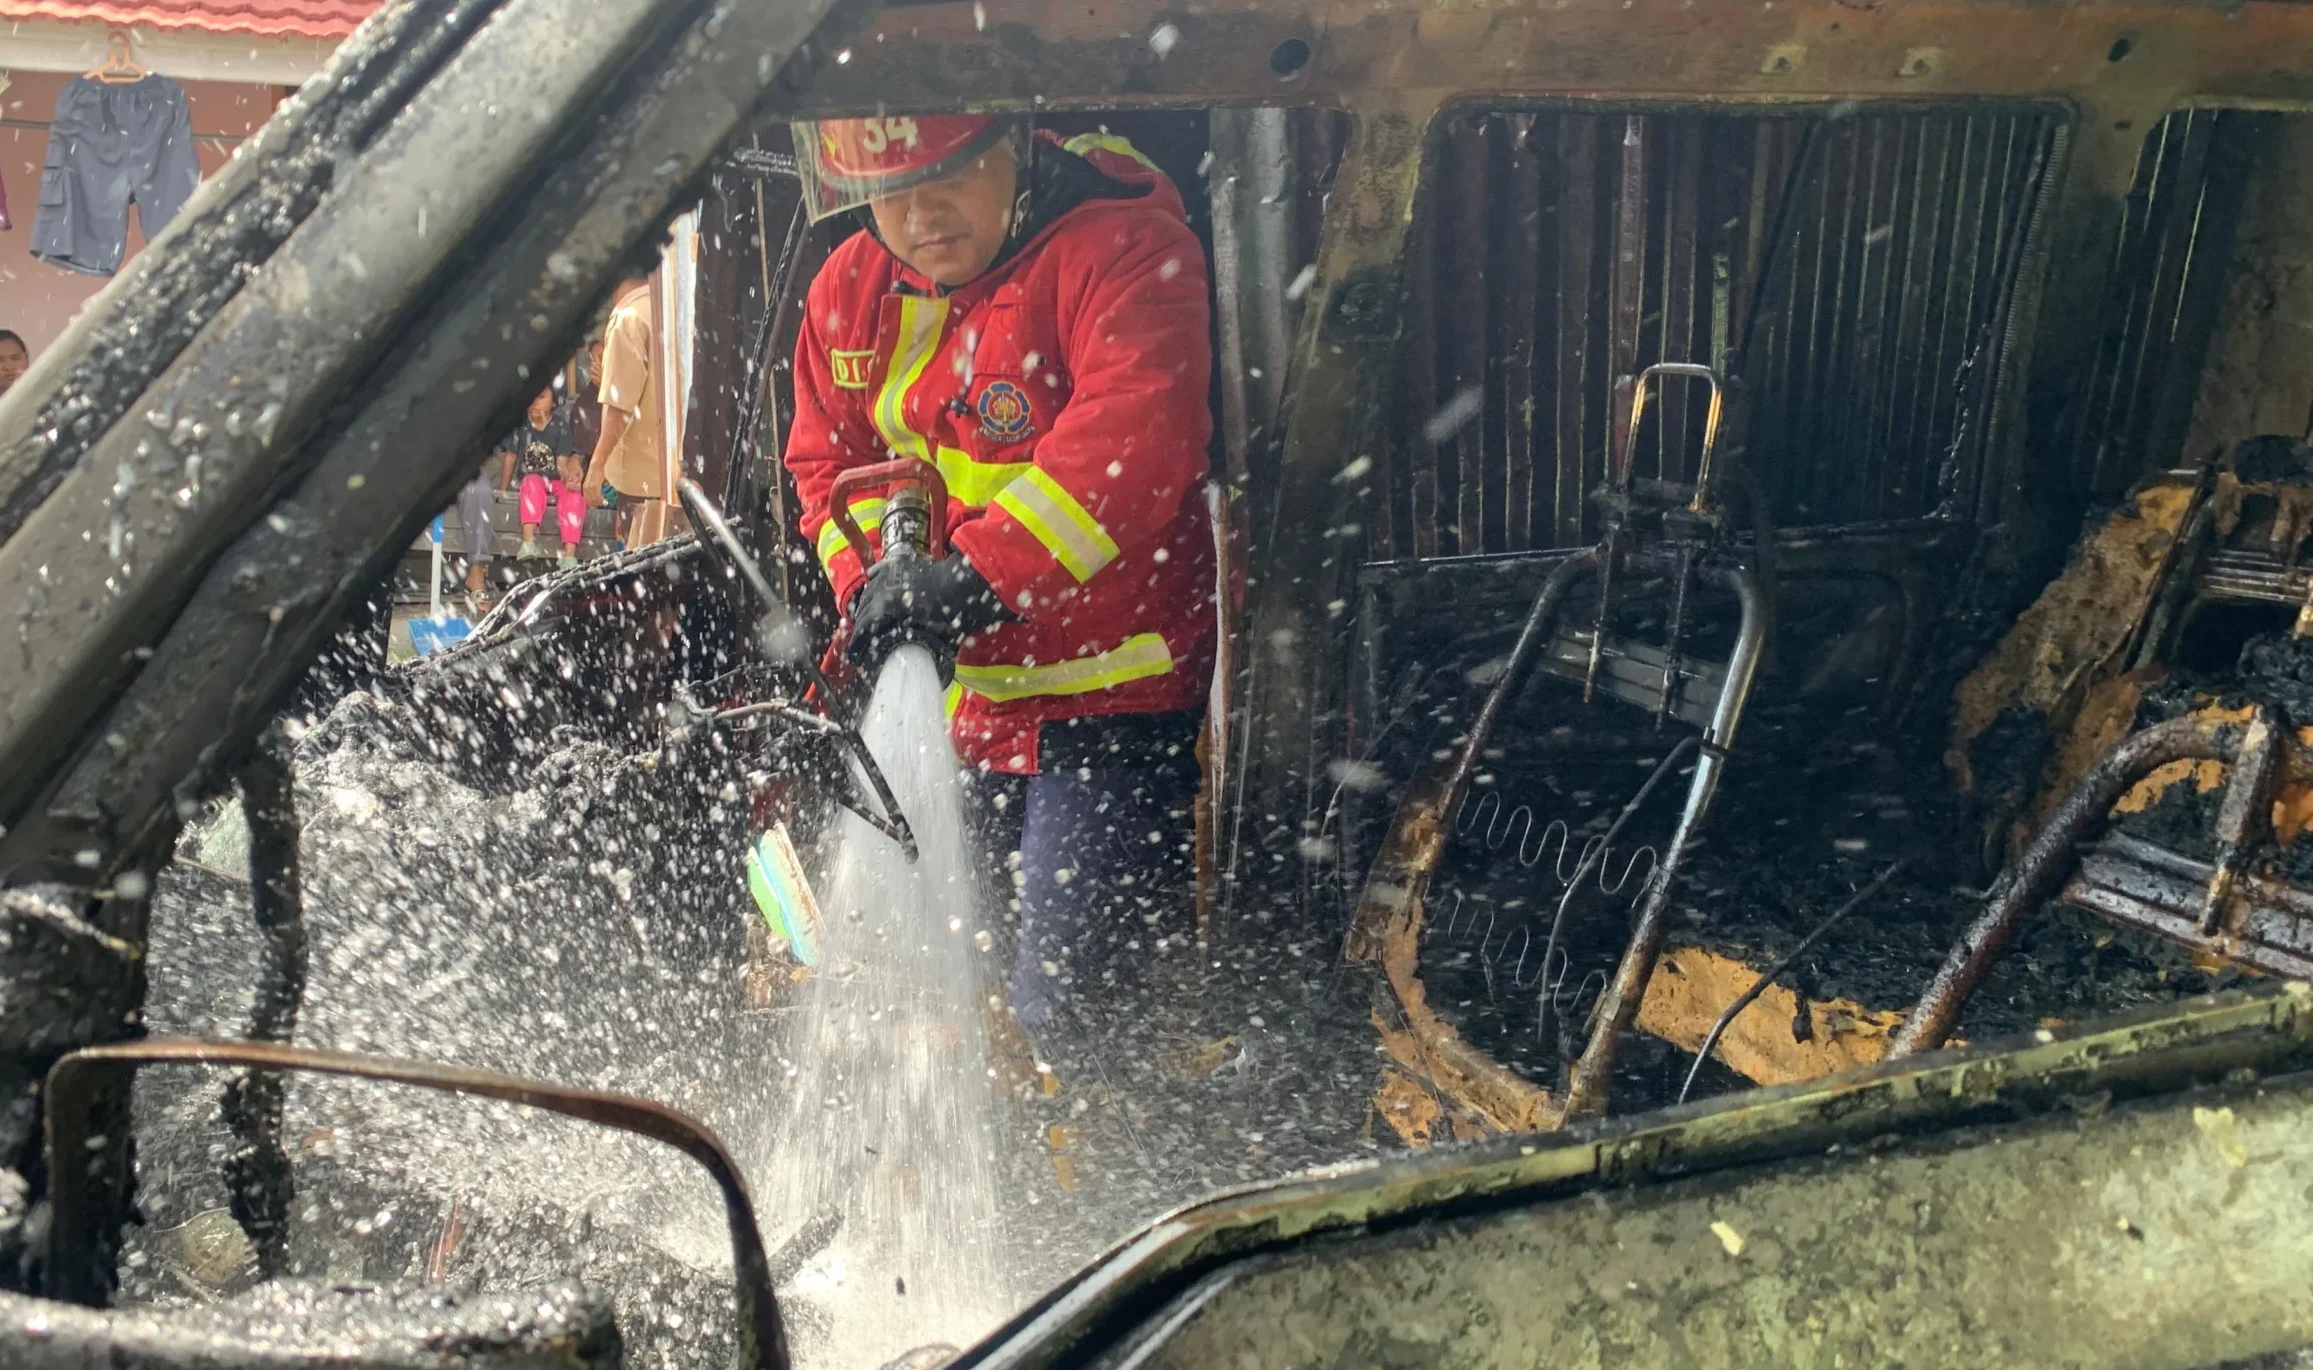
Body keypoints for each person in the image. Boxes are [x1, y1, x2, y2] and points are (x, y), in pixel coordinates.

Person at [783, 115, 1216, 1040]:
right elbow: (823, 466)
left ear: (1017, 146)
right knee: (954, 995)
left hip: (1108, 696)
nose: (918, 213)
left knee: (1067, 1011)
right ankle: (1016, 1160)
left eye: (948, 175)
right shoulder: (846, 288)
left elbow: (1134, 446)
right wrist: (870, 588)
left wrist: (973, 580)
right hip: (958, 707)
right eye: (888, 190)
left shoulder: (1125, 252)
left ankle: (1102, 1163)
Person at [584, 262, 666, 548]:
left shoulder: (628, 318)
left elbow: (620, 406)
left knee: (647, 581)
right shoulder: (666, 305)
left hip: (642, 482)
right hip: (675, 474)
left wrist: (596, 465)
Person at [498, 384, 584, 568]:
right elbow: (510, 457)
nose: (534, 402)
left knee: (573, 497)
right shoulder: (521, 425)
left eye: (541, 397)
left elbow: (561, 463)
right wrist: (502, 490)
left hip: (556, 478)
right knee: (530, 482)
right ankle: (528, 542)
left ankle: (569, 556)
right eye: (531, 397)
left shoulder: (561, 426)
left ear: (553, 403)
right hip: (533, 479)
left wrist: (568, 479)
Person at [0, 331, 31, 396]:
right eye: (0, 360)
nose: (9, 367)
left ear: (27, 358)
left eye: (15, 358)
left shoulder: (46, 397)